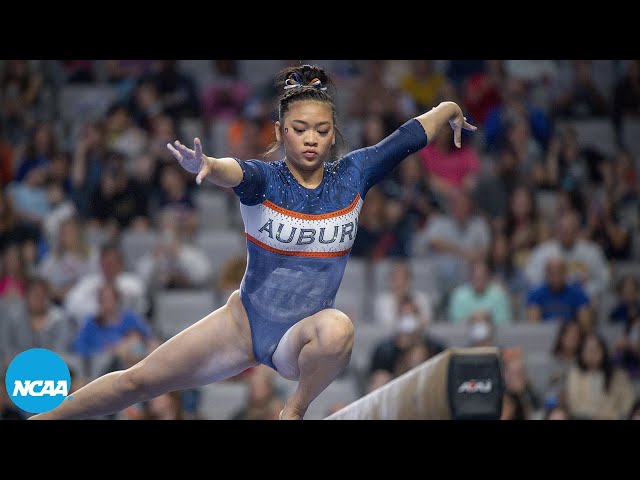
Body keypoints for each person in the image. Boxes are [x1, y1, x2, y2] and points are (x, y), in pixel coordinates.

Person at [30, 64, 476, 421]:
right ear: (281, 130)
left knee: (339, 328)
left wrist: (449, 106)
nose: (311, 140)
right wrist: (206, 163)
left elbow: (407, 138)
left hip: (301, 338)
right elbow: (233, 170)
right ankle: (48, 417)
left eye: (322, 130)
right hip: (243, 324)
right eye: (300, 129)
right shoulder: (265, 180)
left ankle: (295, 409)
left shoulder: (353, 175)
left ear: (333, 131)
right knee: (138, 381)